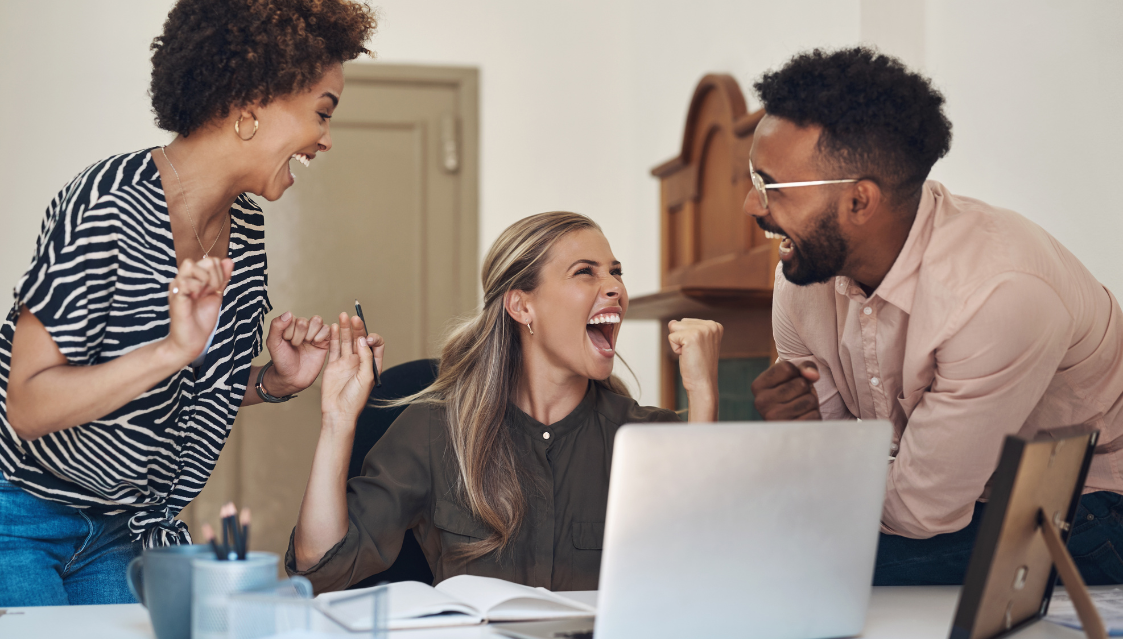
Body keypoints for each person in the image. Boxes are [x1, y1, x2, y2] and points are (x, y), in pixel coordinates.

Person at [0, 0, 377, 606]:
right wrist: (172, 349)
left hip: (125, 528)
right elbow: (27, 404)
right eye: (322, 113)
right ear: (251, 102)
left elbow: (183, 387)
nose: (325, 139)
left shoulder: (245, 229)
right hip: (19, 515)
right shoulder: (106, 204)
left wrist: (274, 382)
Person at [745, 47, 1123, 585]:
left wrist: (820, 476)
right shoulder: (803, 274)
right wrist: (799, 434)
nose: (751, 206)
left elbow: (921, 511)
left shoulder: (998, 292)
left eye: (771, 187)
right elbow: (831, 461)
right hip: (961, 503)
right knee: (758, 547)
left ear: (859, 202)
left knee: (781, 569)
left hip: (1089, 505)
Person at [286, 212, 724, 591]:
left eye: (616, 272)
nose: (614, 288)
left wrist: (704, 396)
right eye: (586, 272)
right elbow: (320, 565)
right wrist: (337, 421)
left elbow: (705, 572)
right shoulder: (435, 430)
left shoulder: (646, 440)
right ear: (521, 306)